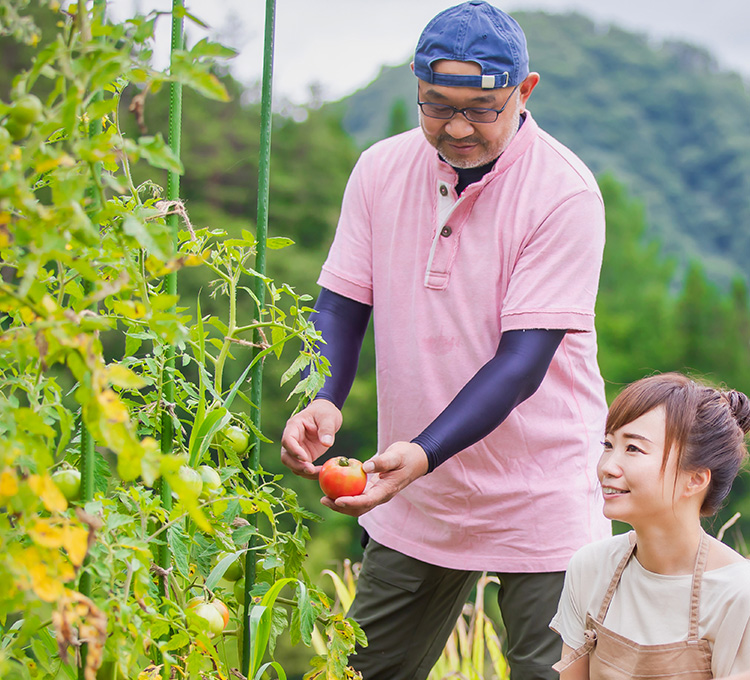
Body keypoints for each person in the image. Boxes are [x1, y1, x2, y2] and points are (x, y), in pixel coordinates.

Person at [280, 2, 610, 678]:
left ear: (525, 91)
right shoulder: (379, 169)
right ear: (416, 87)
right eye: (437, 105)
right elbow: (341, 305)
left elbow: (521, 363)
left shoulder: (564, 193)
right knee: (359, 670)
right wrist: (323, 397)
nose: (458, 127)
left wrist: (424, 451)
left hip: (540, 494)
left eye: (483, 109)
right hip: (414, 493)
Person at [551, 373, 750, 680]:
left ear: (694, 479)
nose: (606, 467)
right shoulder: (590, 567)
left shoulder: (738, 594)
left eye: (633, 449)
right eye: (608, 444)